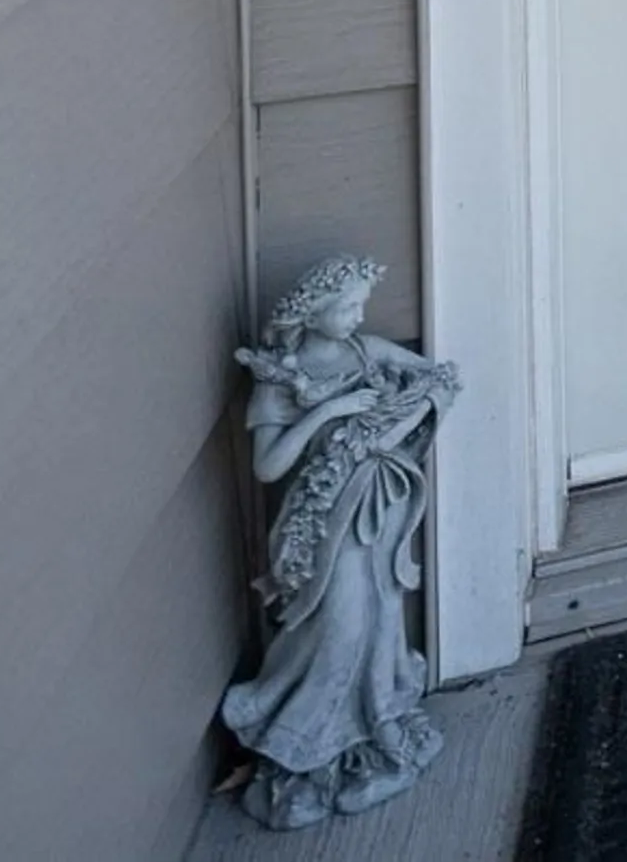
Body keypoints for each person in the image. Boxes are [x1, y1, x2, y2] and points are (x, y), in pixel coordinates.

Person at [221, 256, 460, 827]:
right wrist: (329, 409)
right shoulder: (279, 380)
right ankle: (303, 748)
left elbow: (439, 377)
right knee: (339, 626)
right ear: (311, 312)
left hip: (377, 511)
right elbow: (268, 468)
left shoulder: (365, 350)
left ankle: (376, 726)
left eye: (360, 306)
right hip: (321, 527)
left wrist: (399, 420)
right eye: (346, 307)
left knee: (380, 619)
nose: (358, 317)